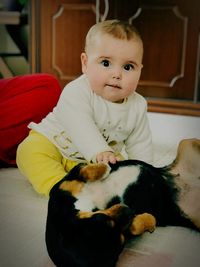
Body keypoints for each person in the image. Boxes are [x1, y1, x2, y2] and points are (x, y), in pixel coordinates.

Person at [16, 19, 153, 196]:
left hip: (96, 161)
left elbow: (141, 144)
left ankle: (101, 190)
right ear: (85, 63)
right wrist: (99, 150)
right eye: (106, 63)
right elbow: (80, 125)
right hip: (55, 145)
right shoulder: (76, 91)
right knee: (29, 151)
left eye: (128, 67)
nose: (117, 74)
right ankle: (62, 189)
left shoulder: (138, 105)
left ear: (140, 70)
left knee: (123, 168)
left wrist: (145, 175)